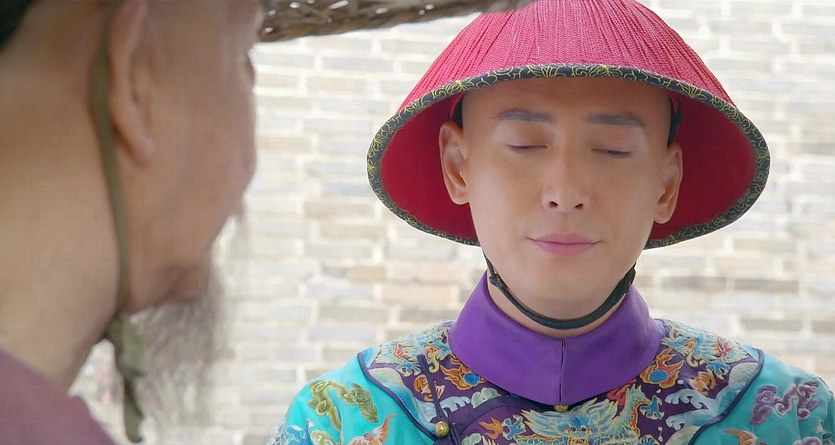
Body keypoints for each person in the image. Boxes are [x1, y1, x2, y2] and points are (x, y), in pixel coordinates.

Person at [272, 1, 835, 444]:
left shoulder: (787, 419)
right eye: (524, 143)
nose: (565, 193)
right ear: (458, 165)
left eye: (613, 149)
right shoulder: (341, 422)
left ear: (666, 183)